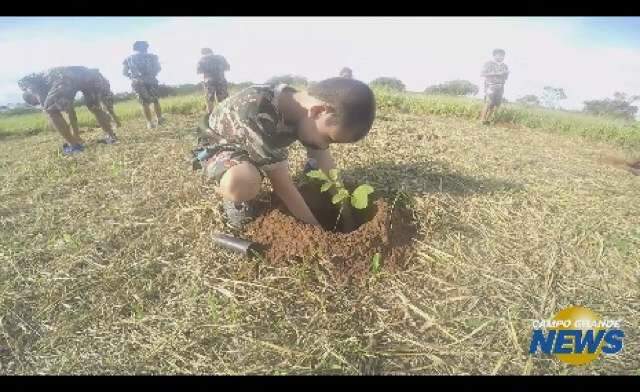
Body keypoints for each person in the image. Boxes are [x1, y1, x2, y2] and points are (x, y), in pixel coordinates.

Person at [192, 77, 376, 230]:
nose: (324, 145)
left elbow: (324, 160)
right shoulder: (258, 110)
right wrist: (317, 231)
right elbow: (283, 187)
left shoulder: (303, 112)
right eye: (328, 138)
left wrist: (347, 214)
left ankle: (259, 163)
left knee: (315, 156)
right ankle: (229, 193)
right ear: (319, 111)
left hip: (259, 144)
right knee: (243, 181)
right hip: (222, 143)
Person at [18, 66, 120, 154]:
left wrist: (45, 106)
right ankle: (111, 137)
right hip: (89, 74)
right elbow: (71, 112)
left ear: (30, 96)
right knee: (95, 107)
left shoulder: (25, 83)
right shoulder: (49, 83)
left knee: (51, 111)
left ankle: (74, 147)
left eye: (35, 102)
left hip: (65, 76)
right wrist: (76, 135)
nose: (38, 103)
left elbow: (47, 106)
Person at [123, 41, 164, 129]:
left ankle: (150, 123)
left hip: (137, 82)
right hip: (152, 80)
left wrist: (133, 77)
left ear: (135, 48)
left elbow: (124, 72)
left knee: (144, 103)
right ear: (146, 48)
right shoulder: (153, 57)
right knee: (155, 101)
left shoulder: (129, 58)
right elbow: (159, 68)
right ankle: (159, 119)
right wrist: (152, 74)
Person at [480, 48, 509, 125]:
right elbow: (482, 74)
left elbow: (506, 78)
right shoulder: (488, 63)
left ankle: (488, 120)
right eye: (499, 55)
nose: (501, 57)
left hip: (500, 86)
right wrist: (497, 73)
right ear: (494, 55)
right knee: (488, 103)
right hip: (490, 85)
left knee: (495, 105)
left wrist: (505, 74)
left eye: (502, 56)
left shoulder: (505, 66)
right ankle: (482, 120)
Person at [197, 48, 231, 113]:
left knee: (210, 99)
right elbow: (227, 68)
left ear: (203, 53)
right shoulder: (220, 57)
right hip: (221, 80)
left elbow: (199, 71)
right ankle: (224, 114)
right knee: (223, 100)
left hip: (209, 81)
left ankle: (210, 115)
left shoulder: (202, 59)